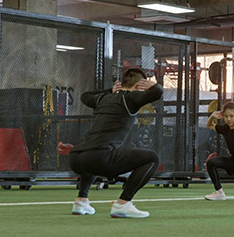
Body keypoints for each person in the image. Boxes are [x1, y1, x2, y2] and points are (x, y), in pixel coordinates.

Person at [69, 68, 163, 218]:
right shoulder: (132, 98)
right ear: (140, 86)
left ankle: (81, 201)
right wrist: (152, 85)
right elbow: (157, 93)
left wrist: (110, 90)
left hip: (76, 157)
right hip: (100, 157)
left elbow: (85, 96)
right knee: (152, 158)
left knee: (93, 153)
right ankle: (123, 203)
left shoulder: (104, 98)